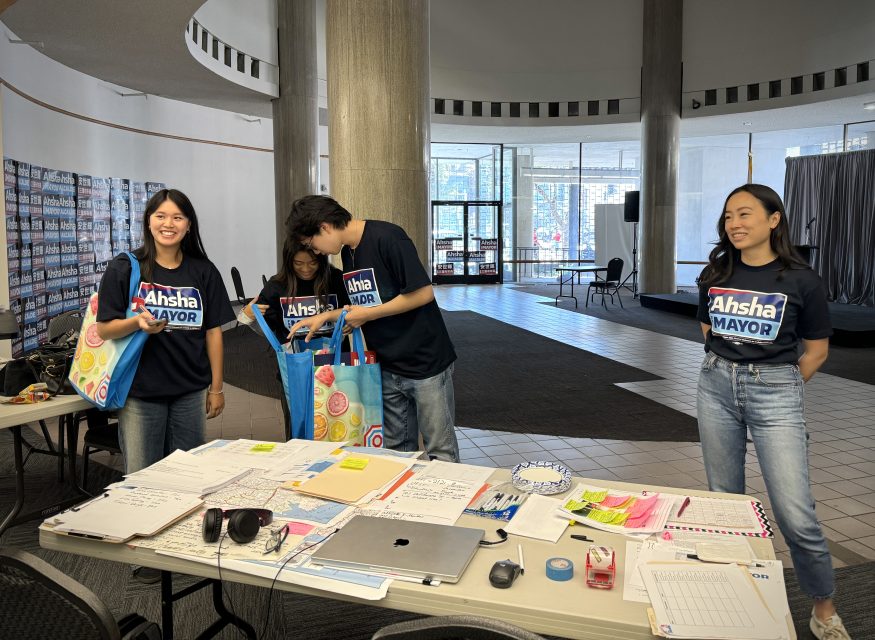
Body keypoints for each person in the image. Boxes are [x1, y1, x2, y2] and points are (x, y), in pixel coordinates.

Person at [696, 184, 850, 640]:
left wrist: (776, 387)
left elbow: (817, 351)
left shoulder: (802, 280)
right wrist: (732, 373)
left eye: (744, 214)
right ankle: (737, 590)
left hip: (776, 391)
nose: (735, 224)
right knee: (725, 500)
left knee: (795, 513)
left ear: (773, 219)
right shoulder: (716, 272)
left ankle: (823, 608)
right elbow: (707, 328)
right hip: (716, 385)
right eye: (728, 217)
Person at [285, 195, 460, 462]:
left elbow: (423, 293)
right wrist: (328, 316)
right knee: (398, 452)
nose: (316, 252)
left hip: (426, 363)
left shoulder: (388, 237)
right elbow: (368, 304)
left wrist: (367, 314)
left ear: (324, 227)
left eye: (313, 244)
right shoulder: (348, 252)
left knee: (441, 451)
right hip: (388, 365)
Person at [96, 188, 234, 474]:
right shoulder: (125, 268)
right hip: (141, 393)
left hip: (190, 391)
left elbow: (213, 332)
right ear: (148, 221)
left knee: (189, 477)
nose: (168, 224)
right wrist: (137, 323)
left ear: (189, 225)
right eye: (160, 216)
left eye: (177, 217)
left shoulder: (203, 271)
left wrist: (216, 388)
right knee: (143, 479)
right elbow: (105, 329)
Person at [238, 238, 349, 436]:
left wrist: (350, 321)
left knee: (339, 427)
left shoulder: (336, 279)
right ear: (288, 261)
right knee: (299, 430)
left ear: (322, 259)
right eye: (298, 263)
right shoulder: (276, 286)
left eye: (312, 263)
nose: (306, 269)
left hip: (336, 368)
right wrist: (247, 315)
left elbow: (355, 311)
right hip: (295, 369)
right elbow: (264, 328)